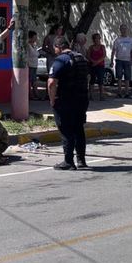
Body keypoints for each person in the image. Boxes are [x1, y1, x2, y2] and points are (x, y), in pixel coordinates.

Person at [48, 36, 90, 170]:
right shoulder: (81, 58)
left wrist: (52, 100)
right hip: (82, 99)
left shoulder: (61, 60)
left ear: (59, 46)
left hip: (66, 100)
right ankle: (81, 160)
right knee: (78, 129)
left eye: (55, 48)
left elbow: (51, 83)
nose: (54, 51)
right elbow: (87, 77)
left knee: (66, 129)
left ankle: (68, 161)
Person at [111, 24, 132, 98]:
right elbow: (113, 51)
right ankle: (119, 93)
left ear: (126, 30)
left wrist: (131, 61)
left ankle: (127, 93)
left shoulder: (130, 40)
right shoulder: (117, 40)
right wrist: (111, 61)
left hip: (127, 61)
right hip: (119, 60)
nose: (123, 30)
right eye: (122, 29)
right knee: (119, 77)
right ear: (120, 30)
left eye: (125, 29)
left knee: (127, 77)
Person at [87, 32, 107, 101]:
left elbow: (104, 55)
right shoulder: (91, 47)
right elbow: (88, 56)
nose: (97, 39)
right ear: (94, 39)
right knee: (92, 80)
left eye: (99, 38)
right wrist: (93, 61)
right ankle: (91, 95)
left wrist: (97, 62)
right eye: (96, 38)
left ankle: (102, 95)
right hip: (92, 65)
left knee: (100, 80)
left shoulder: (102, 47)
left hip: (100, 65)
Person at [25, 30, 41, 100]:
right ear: (30, 37)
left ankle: (36, 94)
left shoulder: (34, 45)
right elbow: (33, 54)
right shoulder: (27, 45)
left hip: (35, 65)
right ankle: (31, 95)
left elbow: (37, 54)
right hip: (30, 65)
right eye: (34, 37)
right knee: (30, 81)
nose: (35, 39)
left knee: (34, 80)